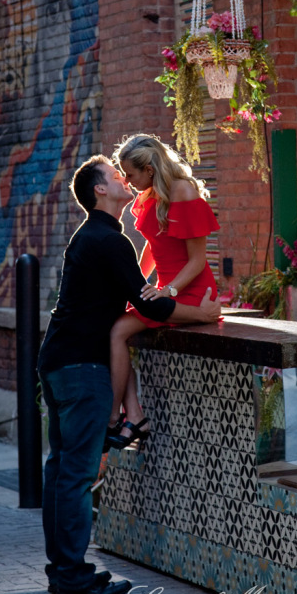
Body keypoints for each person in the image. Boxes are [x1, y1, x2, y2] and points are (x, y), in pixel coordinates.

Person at [37, 154, 221, 594]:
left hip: (61, 360)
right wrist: (205, 313)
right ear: (101, 190)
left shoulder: (94, 238)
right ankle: (73, 576)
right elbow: (152, 304)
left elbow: (139, 299)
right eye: (115, 175)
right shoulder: (107, 241)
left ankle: (63, 571)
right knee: (77, 475)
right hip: (82, 368)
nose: (124, 180)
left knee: (61, 470)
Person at [107, 134, 219, 450]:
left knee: (117, 332)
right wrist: (138, 283)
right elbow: (154, 248)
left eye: (131, 174)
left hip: (192, 290)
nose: (127, 181)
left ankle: (115, 416)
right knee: (116, 330)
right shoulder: (150, 195)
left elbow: (198, 261)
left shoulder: (183, 191)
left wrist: (167, 290)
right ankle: (133, 415)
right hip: (166, 290)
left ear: (150, 169)